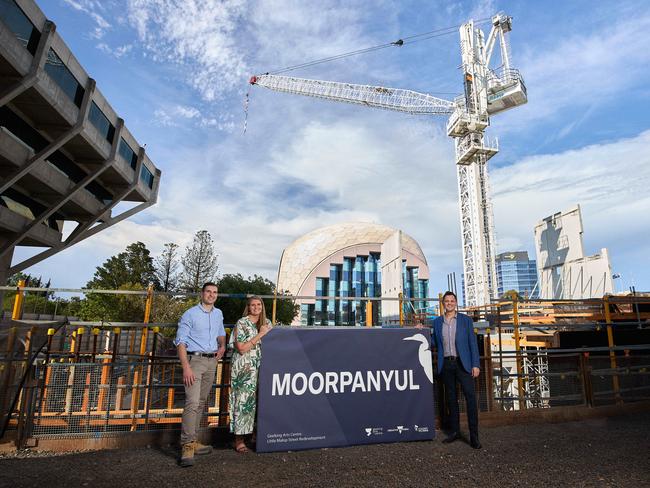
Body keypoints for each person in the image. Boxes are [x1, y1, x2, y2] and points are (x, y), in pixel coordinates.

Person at [174, 282, 226, 467]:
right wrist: (186, 367)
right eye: (208, 292)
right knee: (192, 403)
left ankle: (193, 441)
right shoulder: (190, 314)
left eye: (215, 292)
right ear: (202, 294)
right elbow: (180, 342)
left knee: (202, 402)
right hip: (194, 362)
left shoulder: (218, 313)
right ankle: (186, 445)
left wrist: (222, 344)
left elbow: (220, 333)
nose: (211, 295)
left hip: (212, 361)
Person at [432, 291, 482, 449]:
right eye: (446, 301)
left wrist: (476, 364)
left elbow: (472, 344)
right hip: (446, 364)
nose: (449, 303)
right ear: (443, 303)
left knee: (470, 399)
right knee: (451, 399)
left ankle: (474, 436)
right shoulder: (437, 322)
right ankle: (455, 432)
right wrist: (420, 331)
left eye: (452, 300)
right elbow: (434, 341)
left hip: (463, 364)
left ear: (456, 303)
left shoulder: (465, 321)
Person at [229, 296, 272, 452]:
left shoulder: (267, 324)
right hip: (243, 369)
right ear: (248, 307)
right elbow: (241, 348)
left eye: (259, 304)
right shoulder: (241, 323)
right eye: (252, 305)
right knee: (242, 401)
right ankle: (238, 440)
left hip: (262, 368)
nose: (256, 307)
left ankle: (254, 434)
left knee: (260, 401)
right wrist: (260, 334)